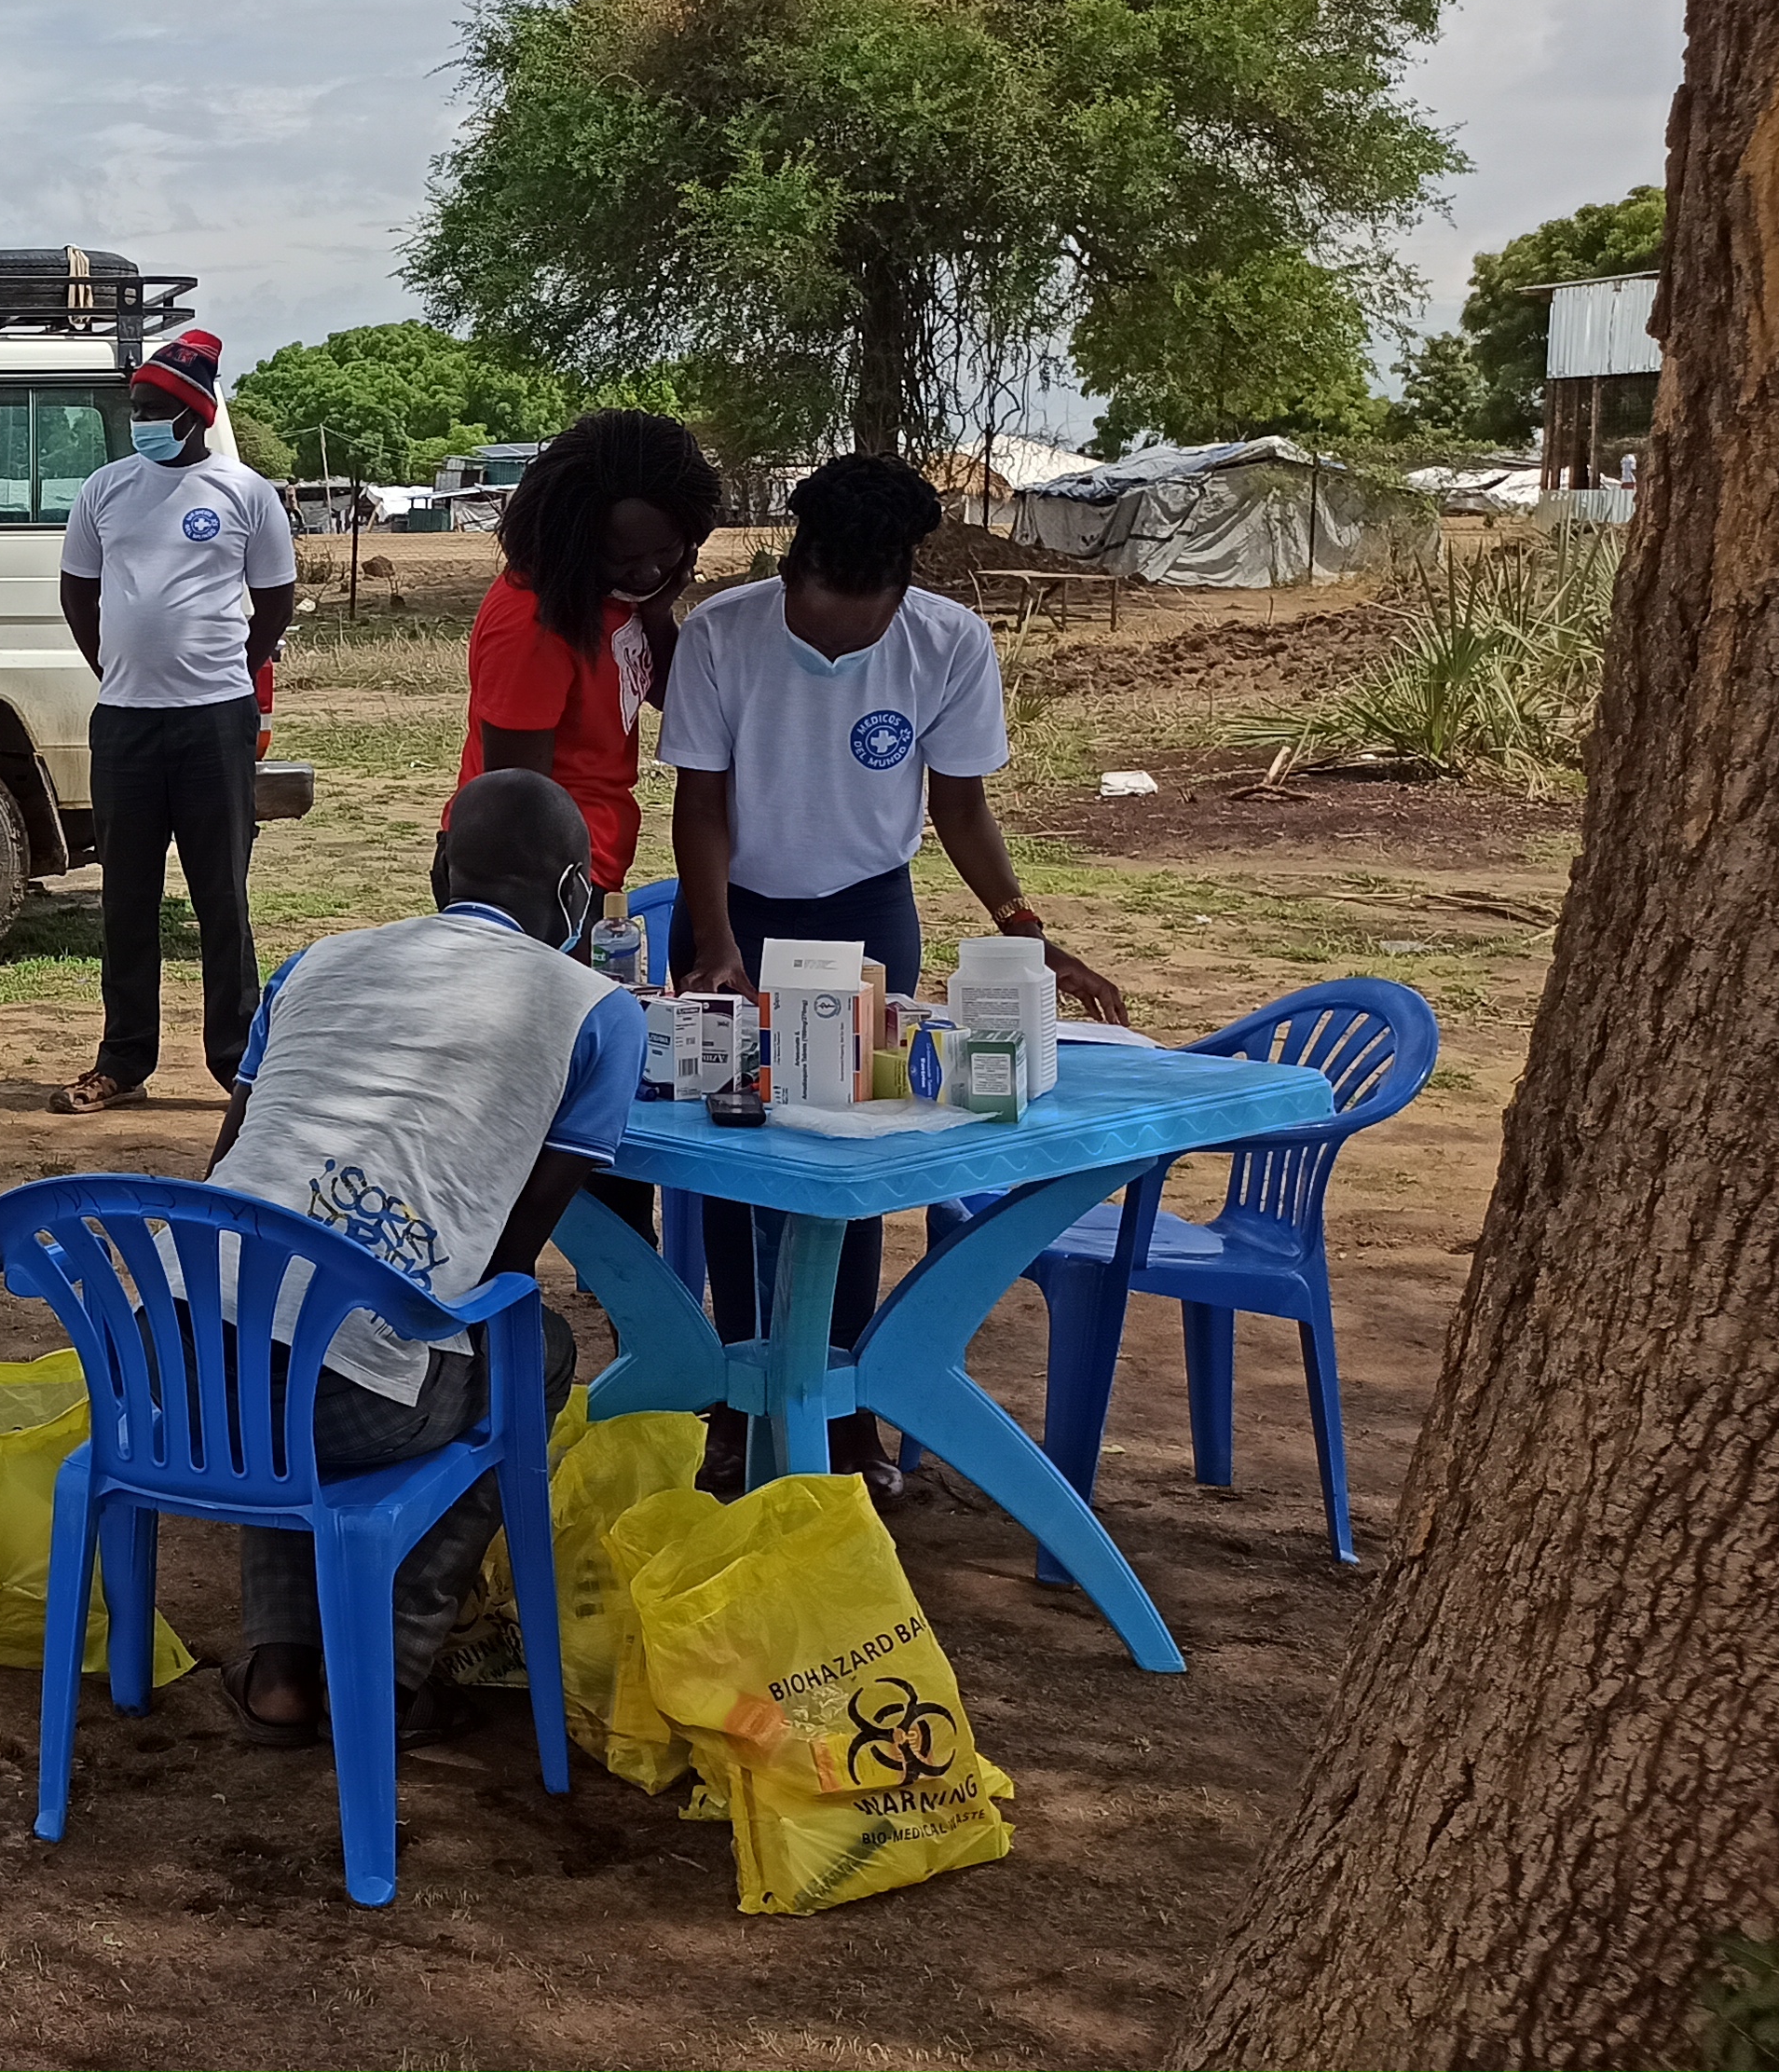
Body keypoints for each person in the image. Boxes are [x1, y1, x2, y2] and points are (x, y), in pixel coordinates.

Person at [663, 453, 1129, 1496]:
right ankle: (740, 1404)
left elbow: (959, 805)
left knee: (852, 1168)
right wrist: (712, 940)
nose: (841, 642)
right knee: (738, 1165)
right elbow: (699, 801)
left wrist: (1024, 924)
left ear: (903, 584)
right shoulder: (722, 633)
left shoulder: (946, 641)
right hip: (737, 914)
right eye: (823, 616)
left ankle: (844, 1406)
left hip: (869, 915)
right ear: (795, 568)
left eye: (864, 621)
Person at [201, 769, 625, 1749]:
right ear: (574, 896)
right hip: (347, 1402)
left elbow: (229, 1160)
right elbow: (501, 1263)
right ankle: (387, 1673)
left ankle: (276, 1670)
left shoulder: (312, 962)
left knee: (284, 1319)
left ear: (438, 868)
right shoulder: (595, 1011)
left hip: (173, 1374)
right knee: (533, 1349)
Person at [49, 328, 297, 1116]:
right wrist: (119, 668)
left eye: (156, 410)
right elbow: (78, 595)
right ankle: (123, 1061)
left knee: (221, 893)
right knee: (125, 897)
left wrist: (228, 673)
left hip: (213, 724)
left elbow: (275, 602)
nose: (142, 422)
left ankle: (236, 1066)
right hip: (124, 725)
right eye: (136, 409)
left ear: (195, 414)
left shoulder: (245, 494)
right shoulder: (105, 490)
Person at [456, 408, 724, 908]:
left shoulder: (617, 598)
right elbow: (517, 797)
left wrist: (658, 613)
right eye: (622, 558)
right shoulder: (536, 619)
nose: (646, 571)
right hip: (530, 878)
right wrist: (555, 909)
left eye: (665, 551)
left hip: (584, 862)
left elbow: (674, 697)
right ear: (577, 542)